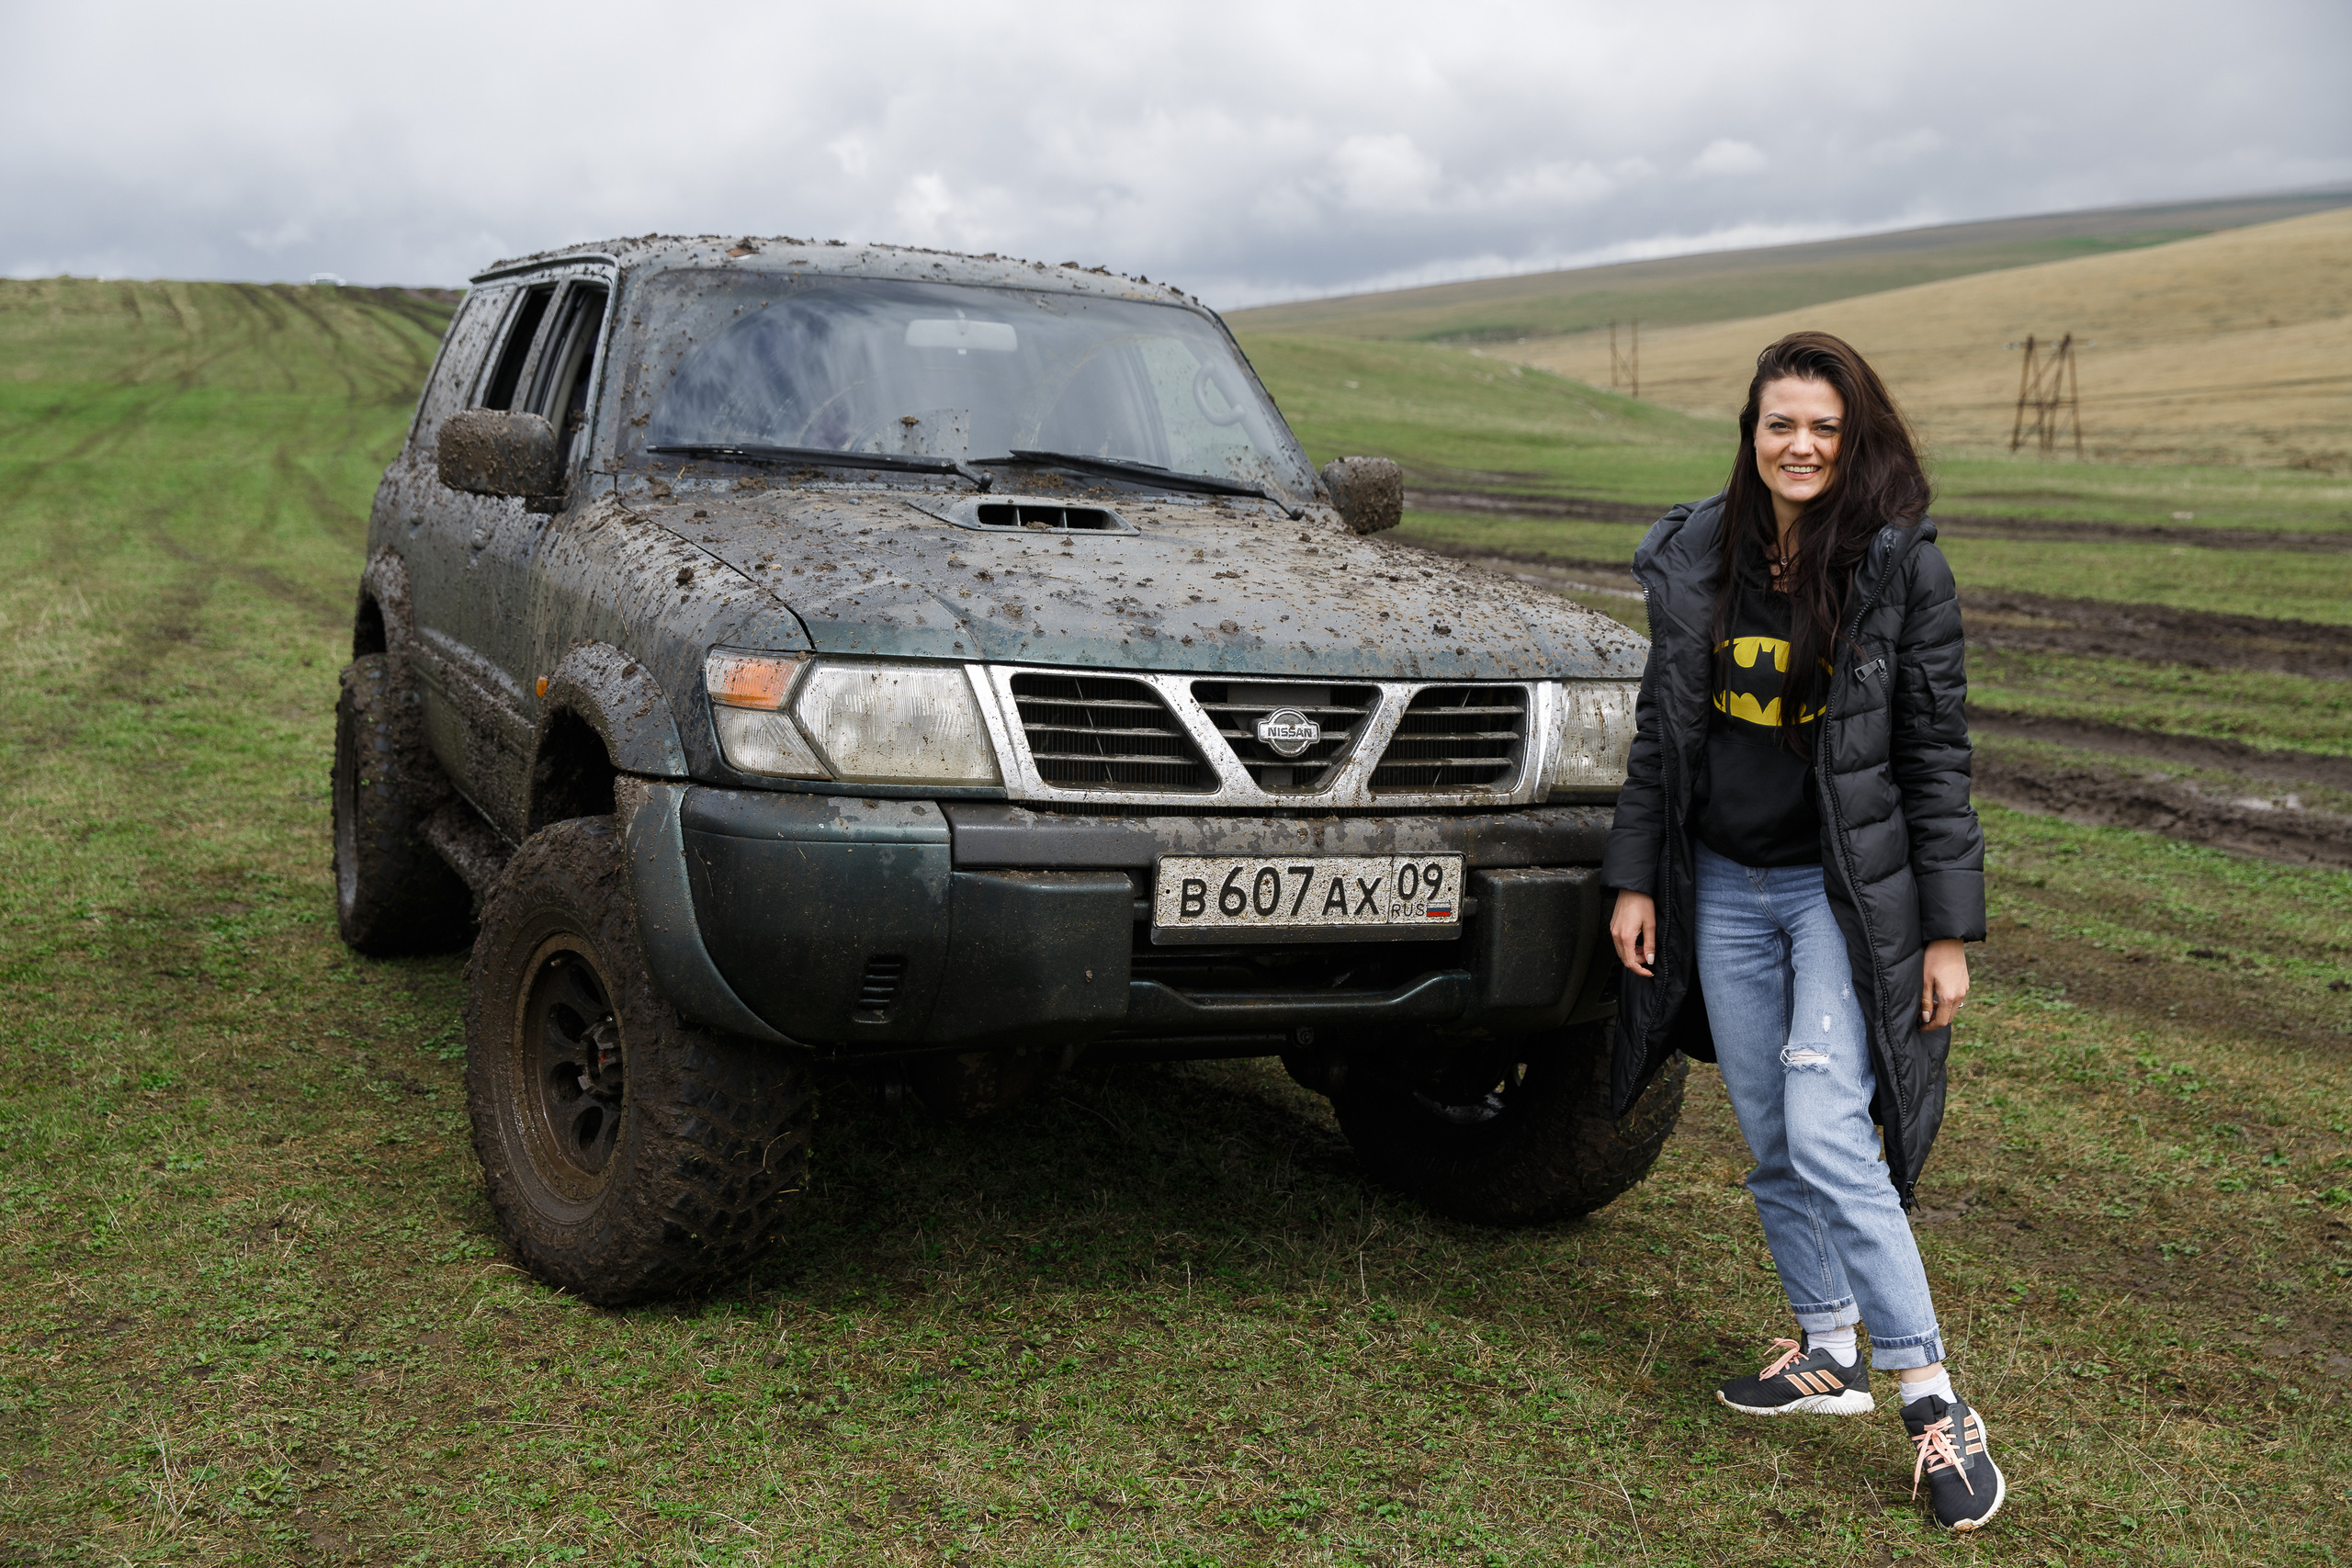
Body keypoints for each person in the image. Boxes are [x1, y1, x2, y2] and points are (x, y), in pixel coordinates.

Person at [1599, 331, 2002, 1531]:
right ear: (1752, 433)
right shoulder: (1696, 558)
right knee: (1770, 1126)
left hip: (1838, 893)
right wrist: (1636, 879)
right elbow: (1662, 744)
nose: (1803, 445)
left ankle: (1932, 1400)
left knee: (1830, 1127)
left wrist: (1946, 932)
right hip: (1719, 878)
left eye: (1824, 426)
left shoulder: (1898, 573)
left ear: (1853, 435)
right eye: (1783, 423)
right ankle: (1825, 1346)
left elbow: (1935, 759)